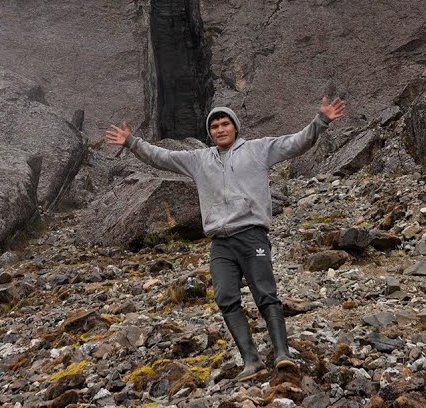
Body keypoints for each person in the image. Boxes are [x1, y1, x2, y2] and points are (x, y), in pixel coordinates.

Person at [105, 96, 347, 380]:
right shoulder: (198, 160)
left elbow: (295, 143)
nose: (220, 129)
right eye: (215, 126)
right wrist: (132, 142)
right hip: (220, 241)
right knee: (225, 298)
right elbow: (163, 157)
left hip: (252, 234)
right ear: (210, 133)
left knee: (265, 294)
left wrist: (321, 121)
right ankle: (251, 360)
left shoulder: (258, 150)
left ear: (235, 127)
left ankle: (282, 354)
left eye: (225, 124)